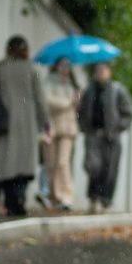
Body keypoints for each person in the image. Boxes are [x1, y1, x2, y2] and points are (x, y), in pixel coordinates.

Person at [0, 35, 50, 217]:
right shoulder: (31, 70)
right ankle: (20, 198)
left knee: (6, 165)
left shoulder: (0, 69)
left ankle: (11, 201)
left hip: (5, 124)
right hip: (27, 124)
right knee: (24, 166)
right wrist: (45, 123)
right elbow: (40, 100)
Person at [77, 61, 132, 213]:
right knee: (93, 167)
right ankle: (93, 199)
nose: (100, 74)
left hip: (111, 137)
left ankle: (106, 201)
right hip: (94, 135)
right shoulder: (89, 91)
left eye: (103, 70)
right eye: (98, 71)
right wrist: (85, 128)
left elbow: (128, 113)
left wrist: (117, 127)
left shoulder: (117, 90)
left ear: (109, 72)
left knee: (110, 170)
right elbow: (81, 112)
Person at [41, 57, 82, 213]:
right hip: (50, 127)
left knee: (62, 162)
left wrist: (77, 103)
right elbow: (48, 102)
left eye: (67, 66)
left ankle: (66, 197)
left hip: (68, 128)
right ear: (56, 67)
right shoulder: (48, 83)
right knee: (50, 163)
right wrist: (68, 102)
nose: (64, 69)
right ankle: (54, 196)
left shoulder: (73, 86)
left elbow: (76, 108)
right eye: (62, 65)